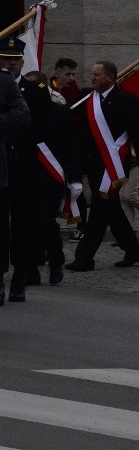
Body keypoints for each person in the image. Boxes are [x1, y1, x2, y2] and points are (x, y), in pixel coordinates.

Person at [65, 60, 139, 272]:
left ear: (111, 78)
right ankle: (133, 250)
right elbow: (66, 112)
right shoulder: (87, 97)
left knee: (100, 207)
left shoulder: (126, 101)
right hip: (92, 162)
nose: (93, 77)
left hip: (114, 166)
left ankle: (84, 257)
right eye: (92, 74)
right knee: (112, 210)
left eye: (97, 74)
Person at [7, 72, 80, 300]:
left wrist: (75, 178)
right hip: (22, 176)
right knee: (22, 223)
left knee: (44, 222)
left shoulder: (59, 114)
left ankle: (55, 260)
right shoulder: (21, 116)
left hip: (50, 177)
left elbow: (72, 148)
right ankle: (28, 270)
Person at [0, 38, 31, 305]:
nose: (10, 63)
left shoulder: (36, 90)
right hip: (2, 164)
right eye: (4, 58)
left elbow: (30, 123)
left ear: (22, 61)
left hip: (21, 166)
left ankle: (19, 277)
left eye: (14, 59)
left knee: (21, 225)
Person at [52, 58, 87, 240]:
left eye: (73, 74)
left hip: (71, 147)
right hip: (51, 148)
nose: (71, 78)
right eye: (67, 74)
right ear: (57, 72)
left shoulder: (75, 93)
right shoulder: (48, 89)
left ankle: (82, 225)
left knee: (75, 186)